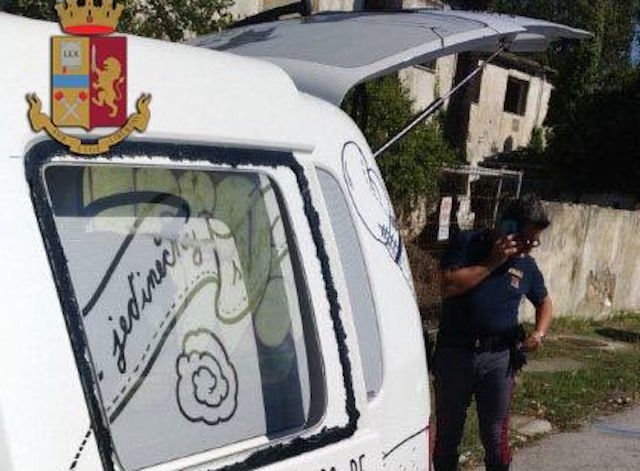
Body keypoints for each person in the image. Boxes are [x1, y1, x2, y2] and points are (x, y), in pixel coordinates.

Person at [432, 194, 553, 471]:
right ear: (506, 227)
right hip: (455, 354)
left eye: (533, 242)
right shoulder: (467, 243)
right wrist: (492, 263)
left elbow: (545, 303)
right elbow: (448, 285)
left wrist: (539, 334)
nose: (528, 247)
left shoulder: (527, 266)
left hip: (499, 359)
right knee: (448, 435)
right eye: (524, 239)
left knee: (496, 437)